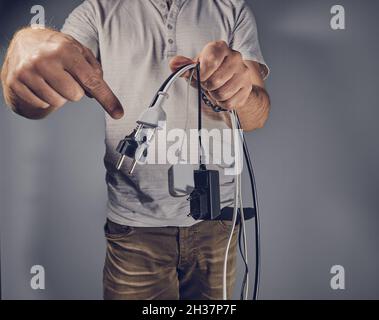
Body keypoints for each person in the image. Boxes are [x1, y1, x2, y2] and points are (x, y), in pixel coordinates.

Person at [1, 0, 270, 300]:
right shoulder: (97, 12)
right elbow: (47, 78)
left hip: (217, 224)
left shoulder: (232, 9)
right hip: (135, 230)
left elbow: (256, 116)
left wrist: (238, 92)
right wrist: (24, 50)